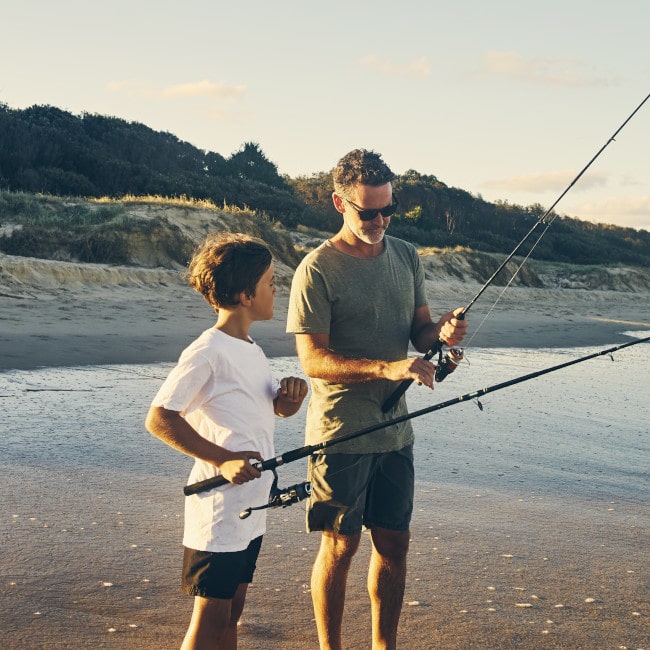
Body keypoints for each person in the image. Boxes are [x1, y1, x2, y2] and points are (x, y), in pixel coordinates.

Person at [286, 149, 467, 650]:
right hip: (341, 432)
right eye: (369, 212)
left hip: (396, 433)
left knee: (393, 544)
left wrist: (444, 333)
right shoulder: (316, 269)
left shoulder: (406, 255)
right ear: (339, 204)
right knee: (340, 546)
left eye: (389, 209)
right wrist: (385, 368)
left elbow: (420, 334)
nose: (380, 220)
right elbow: (313, 360)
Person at [145, 232, 308, 650]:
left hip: (250, 504)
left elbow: (269, 408)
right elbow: (160, 417)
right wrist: (224, 460)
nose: (277, 289)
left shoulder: (249, 348)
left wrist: (287, 399)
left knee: (233, 610)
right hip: (218, 507)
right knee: (211, 617)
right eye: (271, 282)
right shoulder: (208, 350)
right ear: (244, 295)